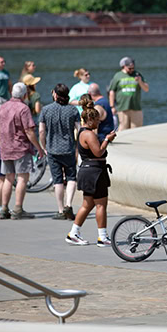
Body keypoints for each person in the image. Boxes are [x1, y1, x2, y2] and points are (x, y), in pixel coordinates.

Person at [66, 96, 116, 246]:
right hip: (95, 172)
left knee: (87, 204)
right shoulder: (89, 134)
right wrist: (107, 139)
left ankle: (73, 233)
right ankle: (102, 237)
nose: (99, 122)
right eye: (97, 120)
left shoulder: (83, 132)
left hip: (88, 171)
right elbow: (98, 152)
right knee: (101, 204)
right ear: (90, 120)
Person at [0, 82, 45, 220]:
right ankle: (18, 208)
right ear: (25, 95)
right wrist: (38, 147)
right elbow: (29, 131)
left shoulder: (2, 107)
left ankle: (4, 208)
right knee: (22, 178)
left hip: (6, 147)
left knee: (8, 178)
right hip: (20, 147)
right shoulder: (23, 109)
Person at [39, 84, 81, 221]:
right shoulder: (73, 110)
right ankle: (69, 204)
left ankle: (61, 209)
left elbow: (41, 131)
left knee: (57, 180)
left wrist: (44, 146)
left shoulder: (46, 110)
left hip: (52, 149)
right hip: (68, 148)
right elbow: (79, 130)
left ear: (55, 95)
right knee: (71, 177)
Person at [109, 57, 148, 131]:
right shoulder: (118, 76)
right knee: (123, 129)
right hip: (123, 107)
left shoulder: (137, 74)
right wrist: (112, 106)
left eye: (133, 68)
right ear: (124, 66)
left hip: (136, 107)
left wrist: (140, 81)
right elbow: (112, 91)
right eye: (129, 68)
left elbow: (146, 89)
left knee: (137, 129)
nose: (131, 70)